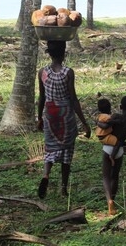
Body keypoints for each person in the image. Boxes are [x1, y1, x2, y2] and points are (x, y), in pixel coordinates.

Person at [36, 40, 91, 199]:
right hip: (65, 114)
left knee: (50, 147)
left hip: (50, 114)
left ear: (50, 54)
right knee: (67, 150)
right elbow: (73, 99)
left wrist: (39, 118)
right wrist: (85, 123)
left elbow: (41, 97)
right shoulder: (68, 72)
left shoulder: (42, 72)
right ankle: (63, 188)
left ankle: (46, 175)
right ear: (63, 53)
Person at [97, 95, 126, 215]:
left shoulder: (115, 116)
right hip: (119, 150)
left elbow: (106, 126)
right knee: (115, 177)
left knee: (106, 177)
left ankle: (109, 200)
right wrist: (122, 143)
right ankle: (113, 202)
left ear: (120, 107)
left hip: (107, 148)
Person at [94, 98, 121, 166]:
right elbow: (106, 125)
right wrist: (116, 121)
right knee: (118, 143)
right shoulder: (107, 117)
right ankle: (112, 156)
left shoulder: (100, 116)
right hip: (105, 136)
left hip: (101, 136)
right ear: (109, 108)